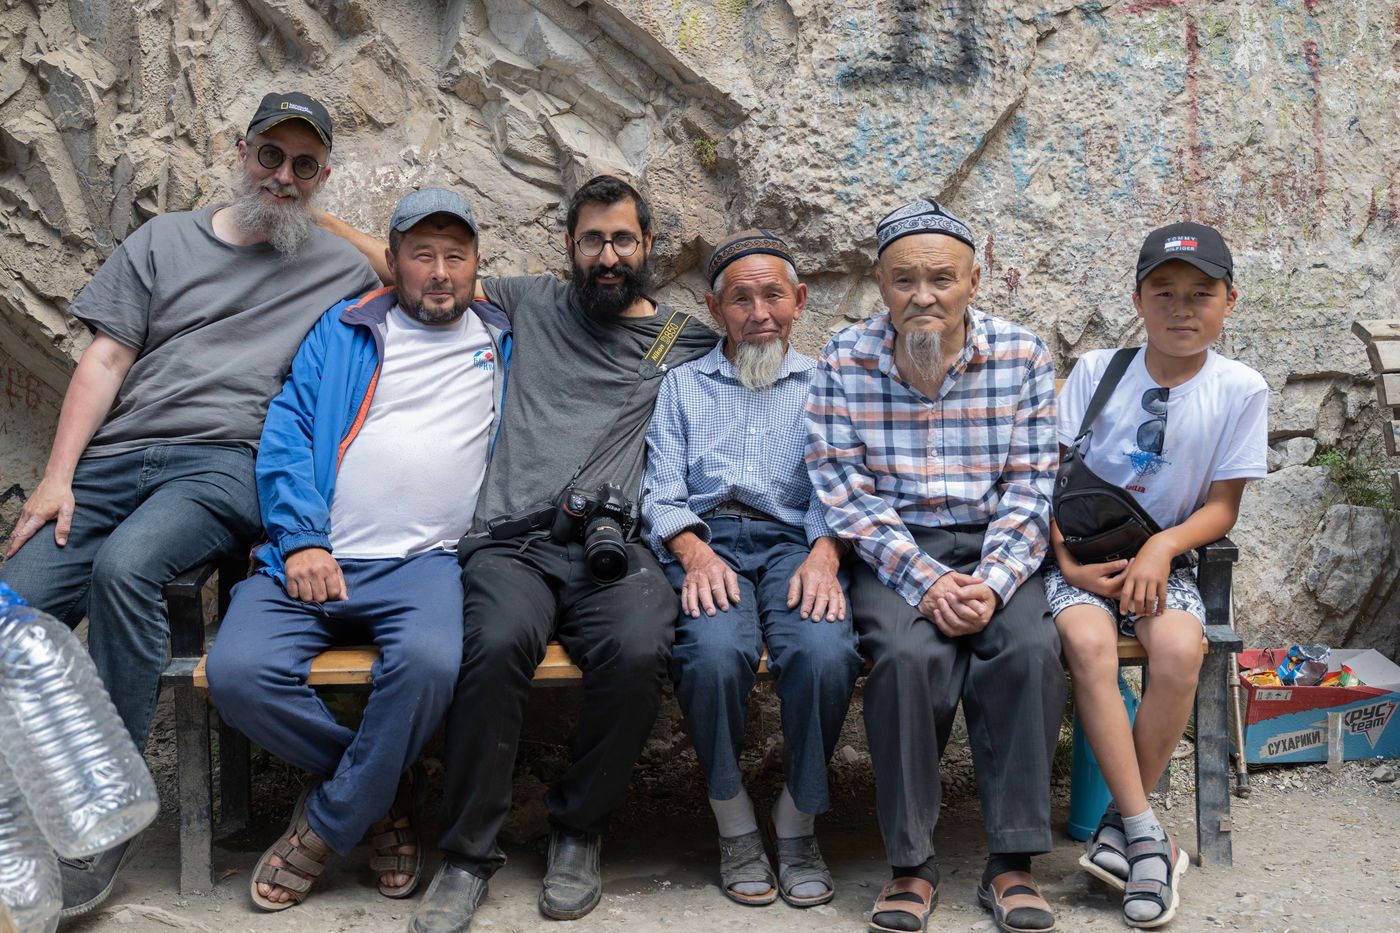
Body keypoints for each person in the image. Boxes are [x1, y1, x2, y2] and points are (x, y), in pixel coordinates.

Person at [0, 90, 379, 916]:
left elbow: (422, 265)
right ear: (240, 152)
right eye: (269, 157)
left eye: (304, 166)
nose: (282, 175)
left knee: (128, 568)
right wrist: (59, 475)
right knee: (11, 608)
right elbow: (105, 361)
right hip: (114, 460)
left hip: (223, 463)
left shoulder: (334, 264)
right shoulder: (163, 239)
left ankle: (103, 817)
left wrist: (316, 214)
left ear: (324, 177)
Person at [408, 175, 717, 933]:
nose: (608, 256)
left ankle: (579, 828)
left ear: (647, 245)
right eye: (592, 240)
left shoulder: (684, 340)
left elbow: (761, 337)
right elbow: (425, 272)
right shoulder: (532, 300)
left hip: (616, 545)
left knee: (641, 647)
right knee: (494, 643)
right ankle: (466, 853)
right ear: (569, 246)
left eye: (623, 240)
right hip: (513, 541)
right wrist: (312, 222)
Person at [204, 189, 508, 911]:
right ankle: (384, 791)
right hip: (314, 555)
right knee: (237, 674)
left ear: (477, 267)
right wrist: (302, 540)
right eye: (422, 255)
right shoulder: (344, 330)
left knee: (430, 664)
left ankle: (330, 821)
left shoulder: (505, 337)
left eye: (455, 256)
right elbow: (287, 435)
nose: (440, 272)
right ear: (392, 263)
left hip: (426, 563)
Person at [806, 199, 1063, 933]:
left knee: (1030, 649)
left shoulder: (1022, 355)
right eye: (904, 280)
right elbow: (842, 487)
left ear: (974, 281)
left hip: (997, 543)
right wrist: (926, 580)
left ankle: (1012, 861)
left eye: (942, 279)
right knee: (903, 657)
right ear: (880, 283)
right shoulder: (844, 358)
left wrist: (992, 582)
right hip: (895, 546)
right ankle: (911, 864)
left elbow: (1032, 485)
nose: (924, 296)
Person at [1049, 222, 1267, 928]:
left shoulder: (1239, 388)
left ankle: (1124, 827)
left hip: (1164, 559)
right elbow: (1046, 479)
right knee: (1088, 644)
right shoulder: (1097, 371)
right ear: (1138, 300)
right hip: (1082, 558)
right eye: (1164, 292)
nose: (1182, 308)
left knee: (1178, 648)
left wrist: (1162, 548)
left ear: (1229, 301)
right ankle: (1148, 837)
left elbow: (1223, 506)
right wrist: (1067, 563)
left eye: (1201, 293)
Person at [641, 231, 863, 909]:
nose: (759, 313)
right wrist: (692, 551)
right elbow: (660, 490)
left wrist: (826, 553)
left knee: (826, 652)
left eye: (773, 295)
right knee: (711, 655)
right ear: (716, 309)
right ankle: (733, 818)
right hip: (708, 543)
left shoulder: (827, 384)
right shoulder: (681, 385)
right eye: (741, 299)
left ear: (799, 301)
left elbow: (844, 487)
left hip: (797, 540)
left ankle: (797, 818)